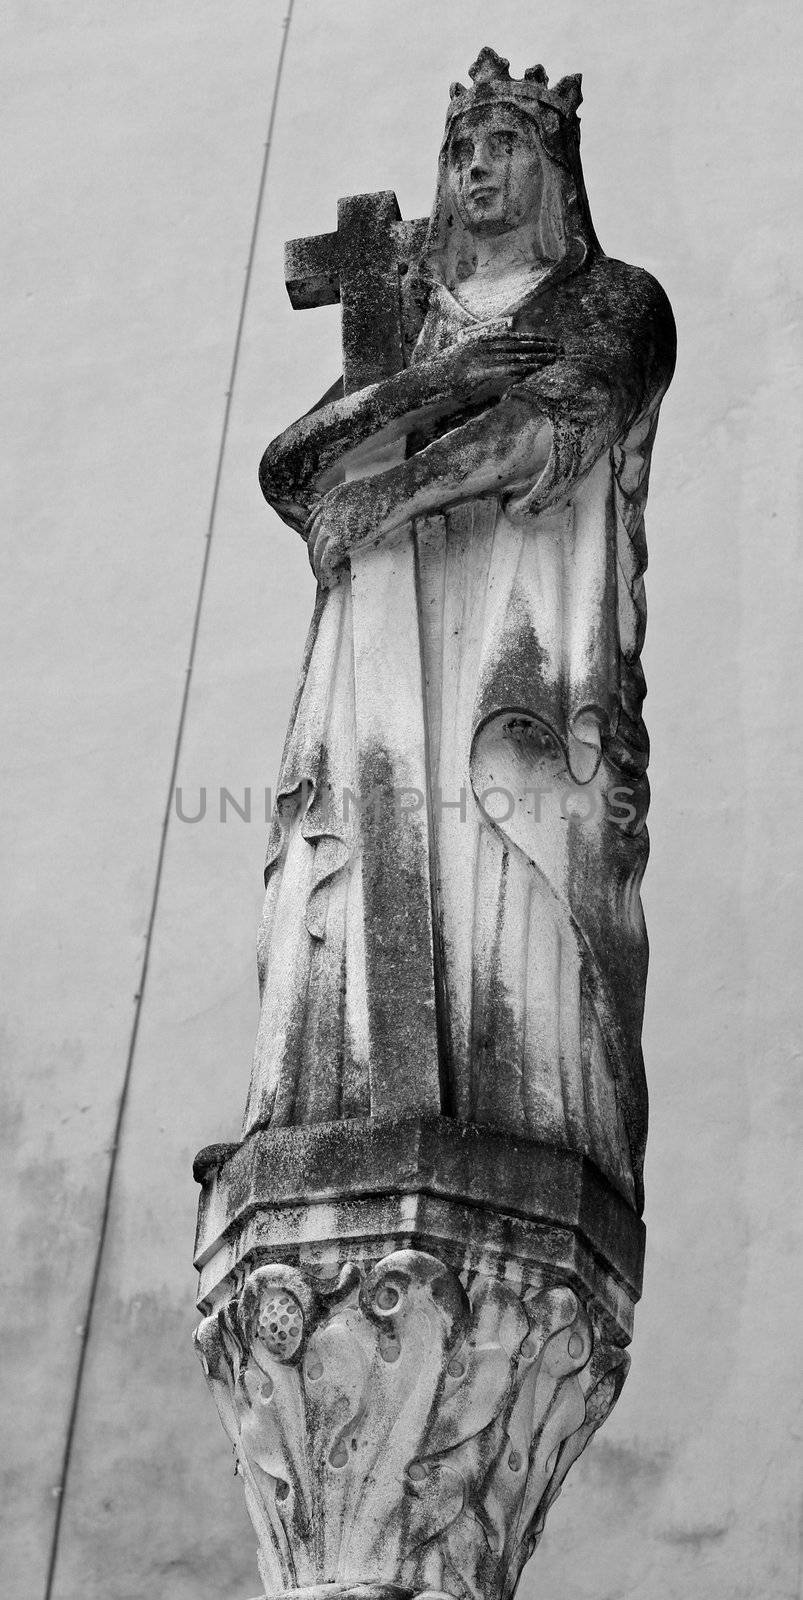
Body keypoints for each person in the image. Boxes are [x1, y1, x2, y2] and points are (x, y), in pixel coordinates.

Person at [245, 48, 675, 1214]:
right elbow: (298, 468)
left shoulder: (610, 301)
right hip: (380, 683)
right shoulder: (402, 334)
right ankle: (320, 1107)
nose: (477, 169)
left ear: (555, 175)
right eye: (461, 150)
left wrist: (395, 486)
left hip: (519, 676)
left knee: (517, 920)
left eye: (505, 147)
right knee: (345, 871)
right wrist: (409, 406)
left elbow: (549, 432)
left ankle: (522, 1129)